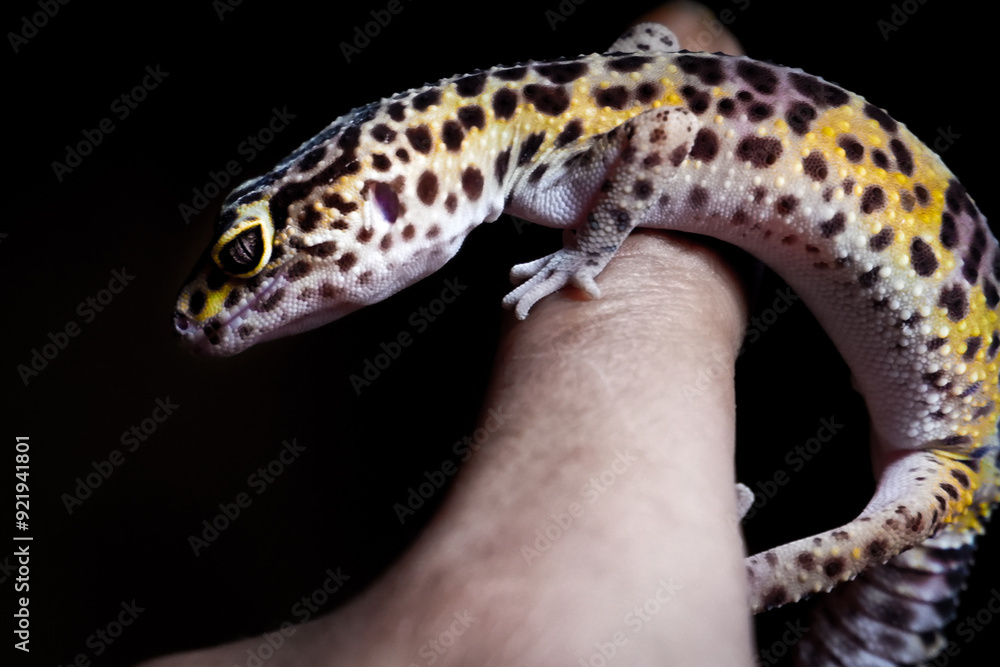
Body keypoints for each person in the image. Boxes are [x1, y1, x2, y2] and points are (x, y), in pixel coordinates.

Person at [141, 3, 756, 665]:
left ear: (379, 197)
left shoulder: (559, 168)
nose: (201, 306)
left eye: (248, 256)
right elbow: (668, 40)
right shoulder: (550, 163)